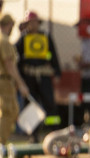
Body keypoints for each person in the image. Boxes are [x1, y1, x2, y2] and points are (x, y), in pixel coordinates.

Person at [15, 11, 63, 139]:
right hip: (29, 77)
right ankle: (33, 135)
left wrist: (57, 72)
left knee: (50, 104)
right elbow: (16, 59)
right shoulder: (23, 39)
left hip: (44, 76)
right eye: (30, 23)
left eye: (35, 22)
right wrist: (18, 80)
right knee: (31, 106)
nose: (33, 25)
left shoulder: (45, 36)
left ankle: (54, 133)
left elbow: (53, 56)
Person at [0, 13, 32, 146]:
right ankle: (0, 142)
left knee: (10, 111)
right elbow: (9, 65)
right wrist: (21, 83)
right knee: (10, 111)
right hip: (5, 80)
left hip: (7, 81)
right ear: (8, 25)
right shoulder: (5, 41)